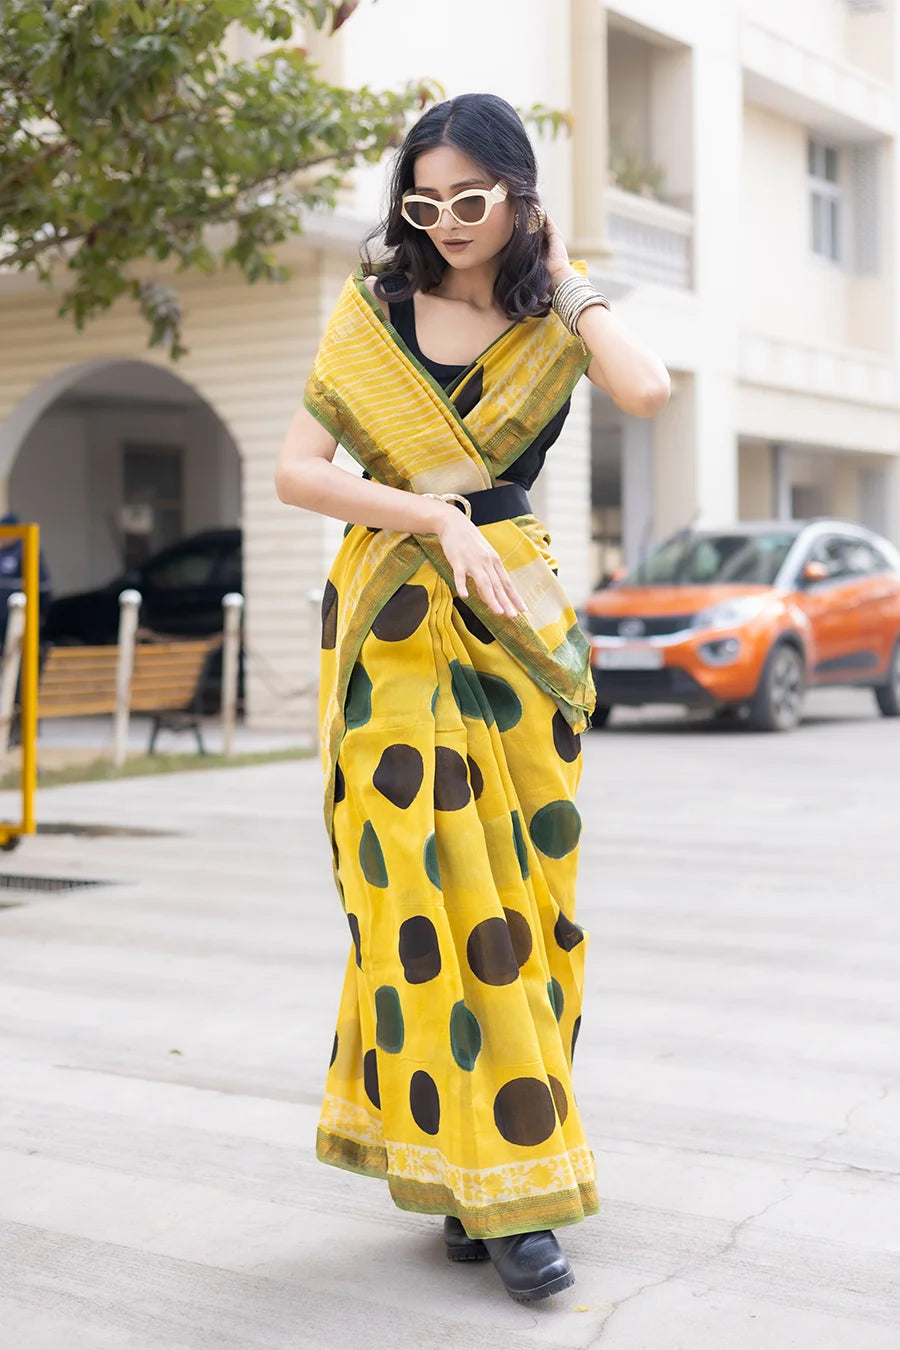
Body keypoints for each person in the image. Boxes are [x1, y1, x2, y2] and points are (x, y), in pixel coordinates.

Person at [276, 92, 669, 1304]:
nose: (445, 221)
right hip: (392, 623)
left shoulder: (554, 311)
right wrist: (434, 514)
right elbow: (299, 474)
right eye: (424, 201)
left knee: (524, 903)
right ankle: (506, 1197)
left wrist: (569, 277)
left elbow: (648, 389)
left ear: (515, 192)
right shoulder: (376, 314)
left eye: (471, 199)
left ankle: (486, 1169)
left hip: (515, 626)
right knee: (421, 904)